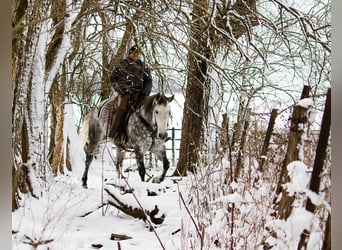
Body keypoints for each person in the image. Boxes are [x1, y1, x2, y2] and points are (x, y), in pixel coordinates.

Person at [108, 45, 152, 143]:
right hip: (125, 94)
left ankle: (153, 136)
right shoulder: (122, 64)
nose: (136, 55)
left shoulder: (144, 66)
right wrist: (120, 90)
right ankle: (114, 135)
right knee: (121, 109)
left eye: (137, 53)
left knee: (150, 109)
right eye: (134, 53)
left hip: (139, 94)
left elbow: (148, 81)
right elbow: (112, 79)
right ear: (130, 54)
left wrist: (146, 92)